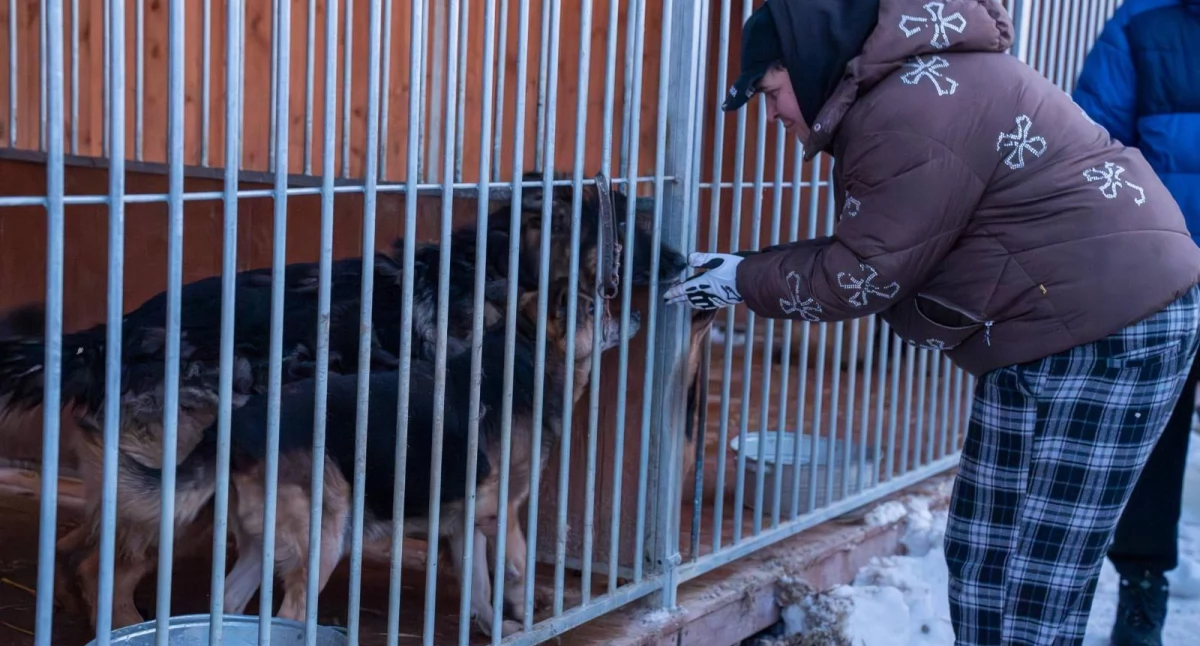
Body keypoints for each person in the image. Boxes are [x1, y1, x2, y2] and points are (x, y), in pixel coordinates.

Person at [663, 1, 1200, 645]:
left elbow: (862, 275)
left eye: (772, 91)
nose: (773, 113)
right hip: (1037, 322)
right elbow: (877, 249)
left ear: (806, 66)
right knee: (982, 549)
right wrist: (743, 269)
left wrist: (735, 279)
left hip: (1116, 324)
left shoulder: (911, 109)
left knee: (1039, 575)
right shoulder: (909, 89)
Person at [1073, 1, 1200, 644]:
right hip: (1164, 272)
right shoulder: (1144, 20)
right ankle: (1141, 591)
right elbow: (1095, 145)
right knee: (1153, 435)